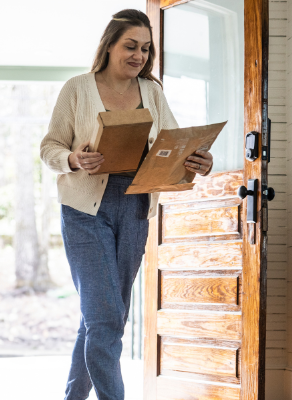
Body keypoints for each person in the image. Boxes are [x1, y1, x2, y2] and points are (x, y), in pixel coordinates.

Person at [40, 9, 215, 400]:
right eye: (131, 46)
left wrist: (197, 161)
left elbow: (170, 142)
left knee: (101, 318)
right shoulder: (77, 89)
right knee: (104, 319)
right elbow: (49, 147)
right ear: (110, 45)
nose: (138, 55)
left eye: (145, 49)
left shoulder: (152, 92)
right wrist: (73, 158)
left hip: (135, 206)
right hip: (86, 209)